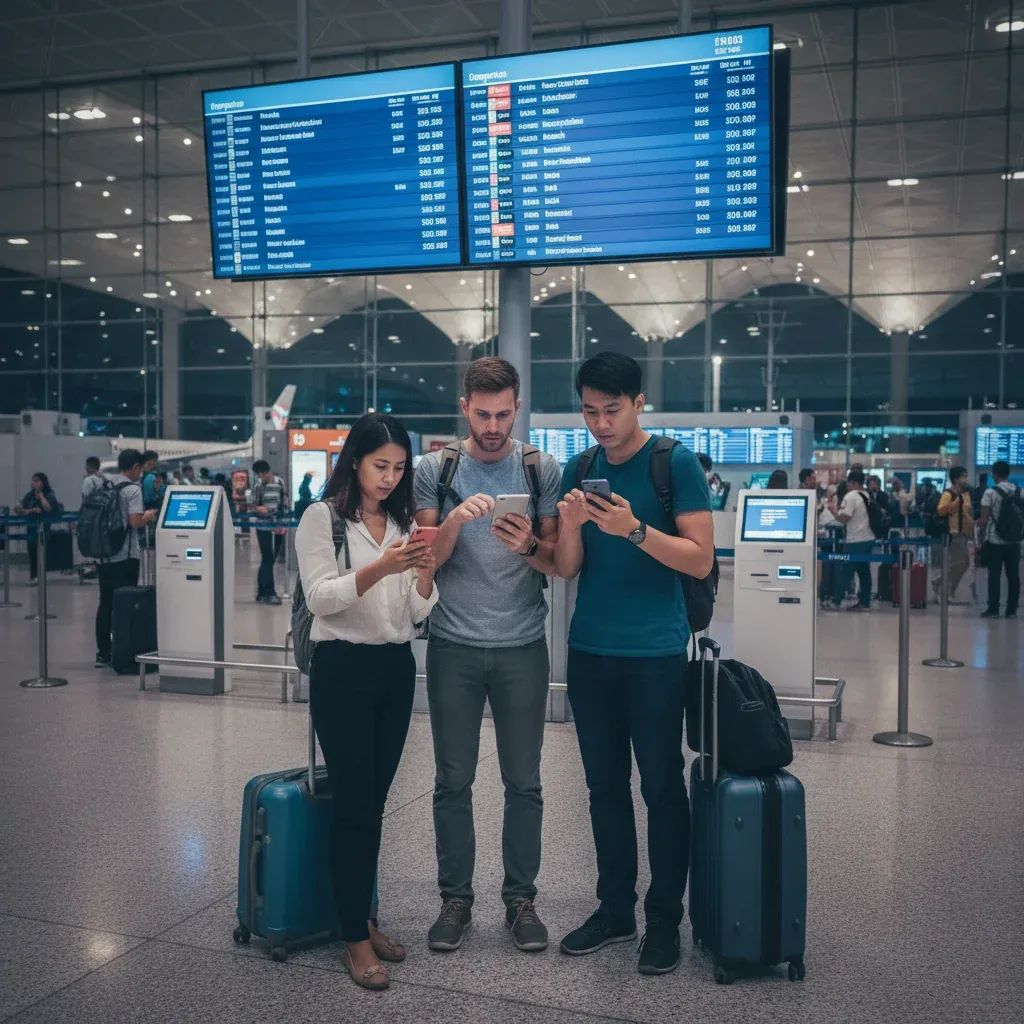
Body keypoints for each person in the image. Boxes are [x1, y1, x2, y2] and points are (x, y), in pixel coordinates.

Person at [554, 352, 713, 976]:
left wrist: (634, 529)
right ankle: (615, 909)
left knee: (662, 789)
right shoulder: (581, 465)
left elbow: (699, 559)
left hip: (654, 653)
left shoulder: (673, 463)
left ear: (639, 402)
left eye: (612, 410)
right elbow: (567, 568)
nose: (600, 423)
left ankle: (665, 919)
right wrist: (568, 525)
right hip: (590, 650)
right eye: (590, 410)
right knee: (603, 790)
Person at [413, 357, 562, 955]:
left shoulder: (539, 467)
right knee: (453, 779)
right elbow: (426, 561)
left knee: (523, 782)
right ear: (464, 409)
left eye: (503, 413)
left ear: (517, 406)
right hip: (453, 644)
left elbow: (556, 561)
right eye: (483, 414)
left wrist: (527, 542)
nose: (494, 425)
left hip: (523, 644)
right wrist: (453, 520)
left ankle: (520, 898)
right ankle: (456, 898)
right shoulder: (435, 469)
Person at [295, 413, 438, 991]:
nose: (389, 476)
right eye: (381, 465)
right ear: (354, 460)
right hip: (343, 672)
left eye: (399, 467)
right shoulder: (321, 519)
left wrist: (425, 574)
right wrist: (381, 566)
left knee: (374, 802)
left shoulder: (401, 522)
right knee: (355, 806)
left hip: (394, 670)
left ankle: (364, 917)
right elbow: (321, 598)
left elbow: (416, 612)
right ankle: (353, 937)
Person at [94, 450, 156, 668]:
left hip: (103, 555)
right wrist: (148, 516)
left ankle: (103, 653)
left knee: (105, 602)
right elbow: (135, 522)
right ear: (135, 468)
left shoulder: (104, 485)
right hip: (125, 556)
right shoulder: (132, 489)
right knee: (125, 603)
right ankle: (122, 651)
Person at [826, 468, 874, 611]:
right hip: (868, 538)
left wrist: (834, 512)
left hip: (855, 540)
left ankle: (836, 601)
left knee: (845, 570)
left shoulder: (851, 496)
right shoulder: (866, 495)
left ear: (852, 482)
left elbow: (845, 518)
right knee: (864, 571)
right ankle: (865, 602)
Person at [977, 460, 1020, 619]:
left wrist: (980, 535)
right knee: (1013, 575)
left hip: (995, 539)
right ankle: (1012, 610)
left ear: (994, 474)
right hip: (1014, 540)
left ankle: (993, 609)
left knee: (994, 574)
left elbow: (984, 519)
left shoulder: (990, 492)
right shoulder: (1019, 491)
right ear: (1008, 474)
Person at [933, 466, 973, 605]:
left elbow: (967, 513)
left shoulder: (966, 494)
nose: (965, 479)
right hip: (954, 533)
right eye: (963, 476)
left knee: (964, 564)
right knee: (960, 563)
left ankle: (943, 585)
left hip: (964, 533)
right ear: (956, 479)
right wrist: (956, 502)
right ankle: (944, 588)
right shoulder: (949, 494)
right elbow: (941, 511)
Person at [14, 473, 63, 583]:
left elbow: (48, 508)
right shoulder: (29, 495)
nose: (33, 483)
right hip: (31, 529)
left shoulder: (49, 494)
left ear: (43, 482)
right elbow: (19, 506)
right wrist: (21, 508)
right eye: (32, 481)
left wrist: (41, 497)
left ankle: (41, 576)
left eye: (36, 481)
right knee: (32, 553)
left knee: (41, 553)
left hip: (43, 530)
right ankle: (33, 577)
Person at [251, 459, 288, 605]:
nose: (260, 478)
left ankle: (262, 592)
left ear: (265, 472)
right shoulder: (258, 485)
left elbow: (285, 500)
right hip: (263, 528)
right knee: (267, 558)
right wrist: (258, 509)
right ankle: (270, 592)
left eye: (261, 475)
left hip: (277, 527)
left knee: (270, 560)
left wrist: (282, 519)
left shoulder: (280, 482)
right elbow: (253, 504)